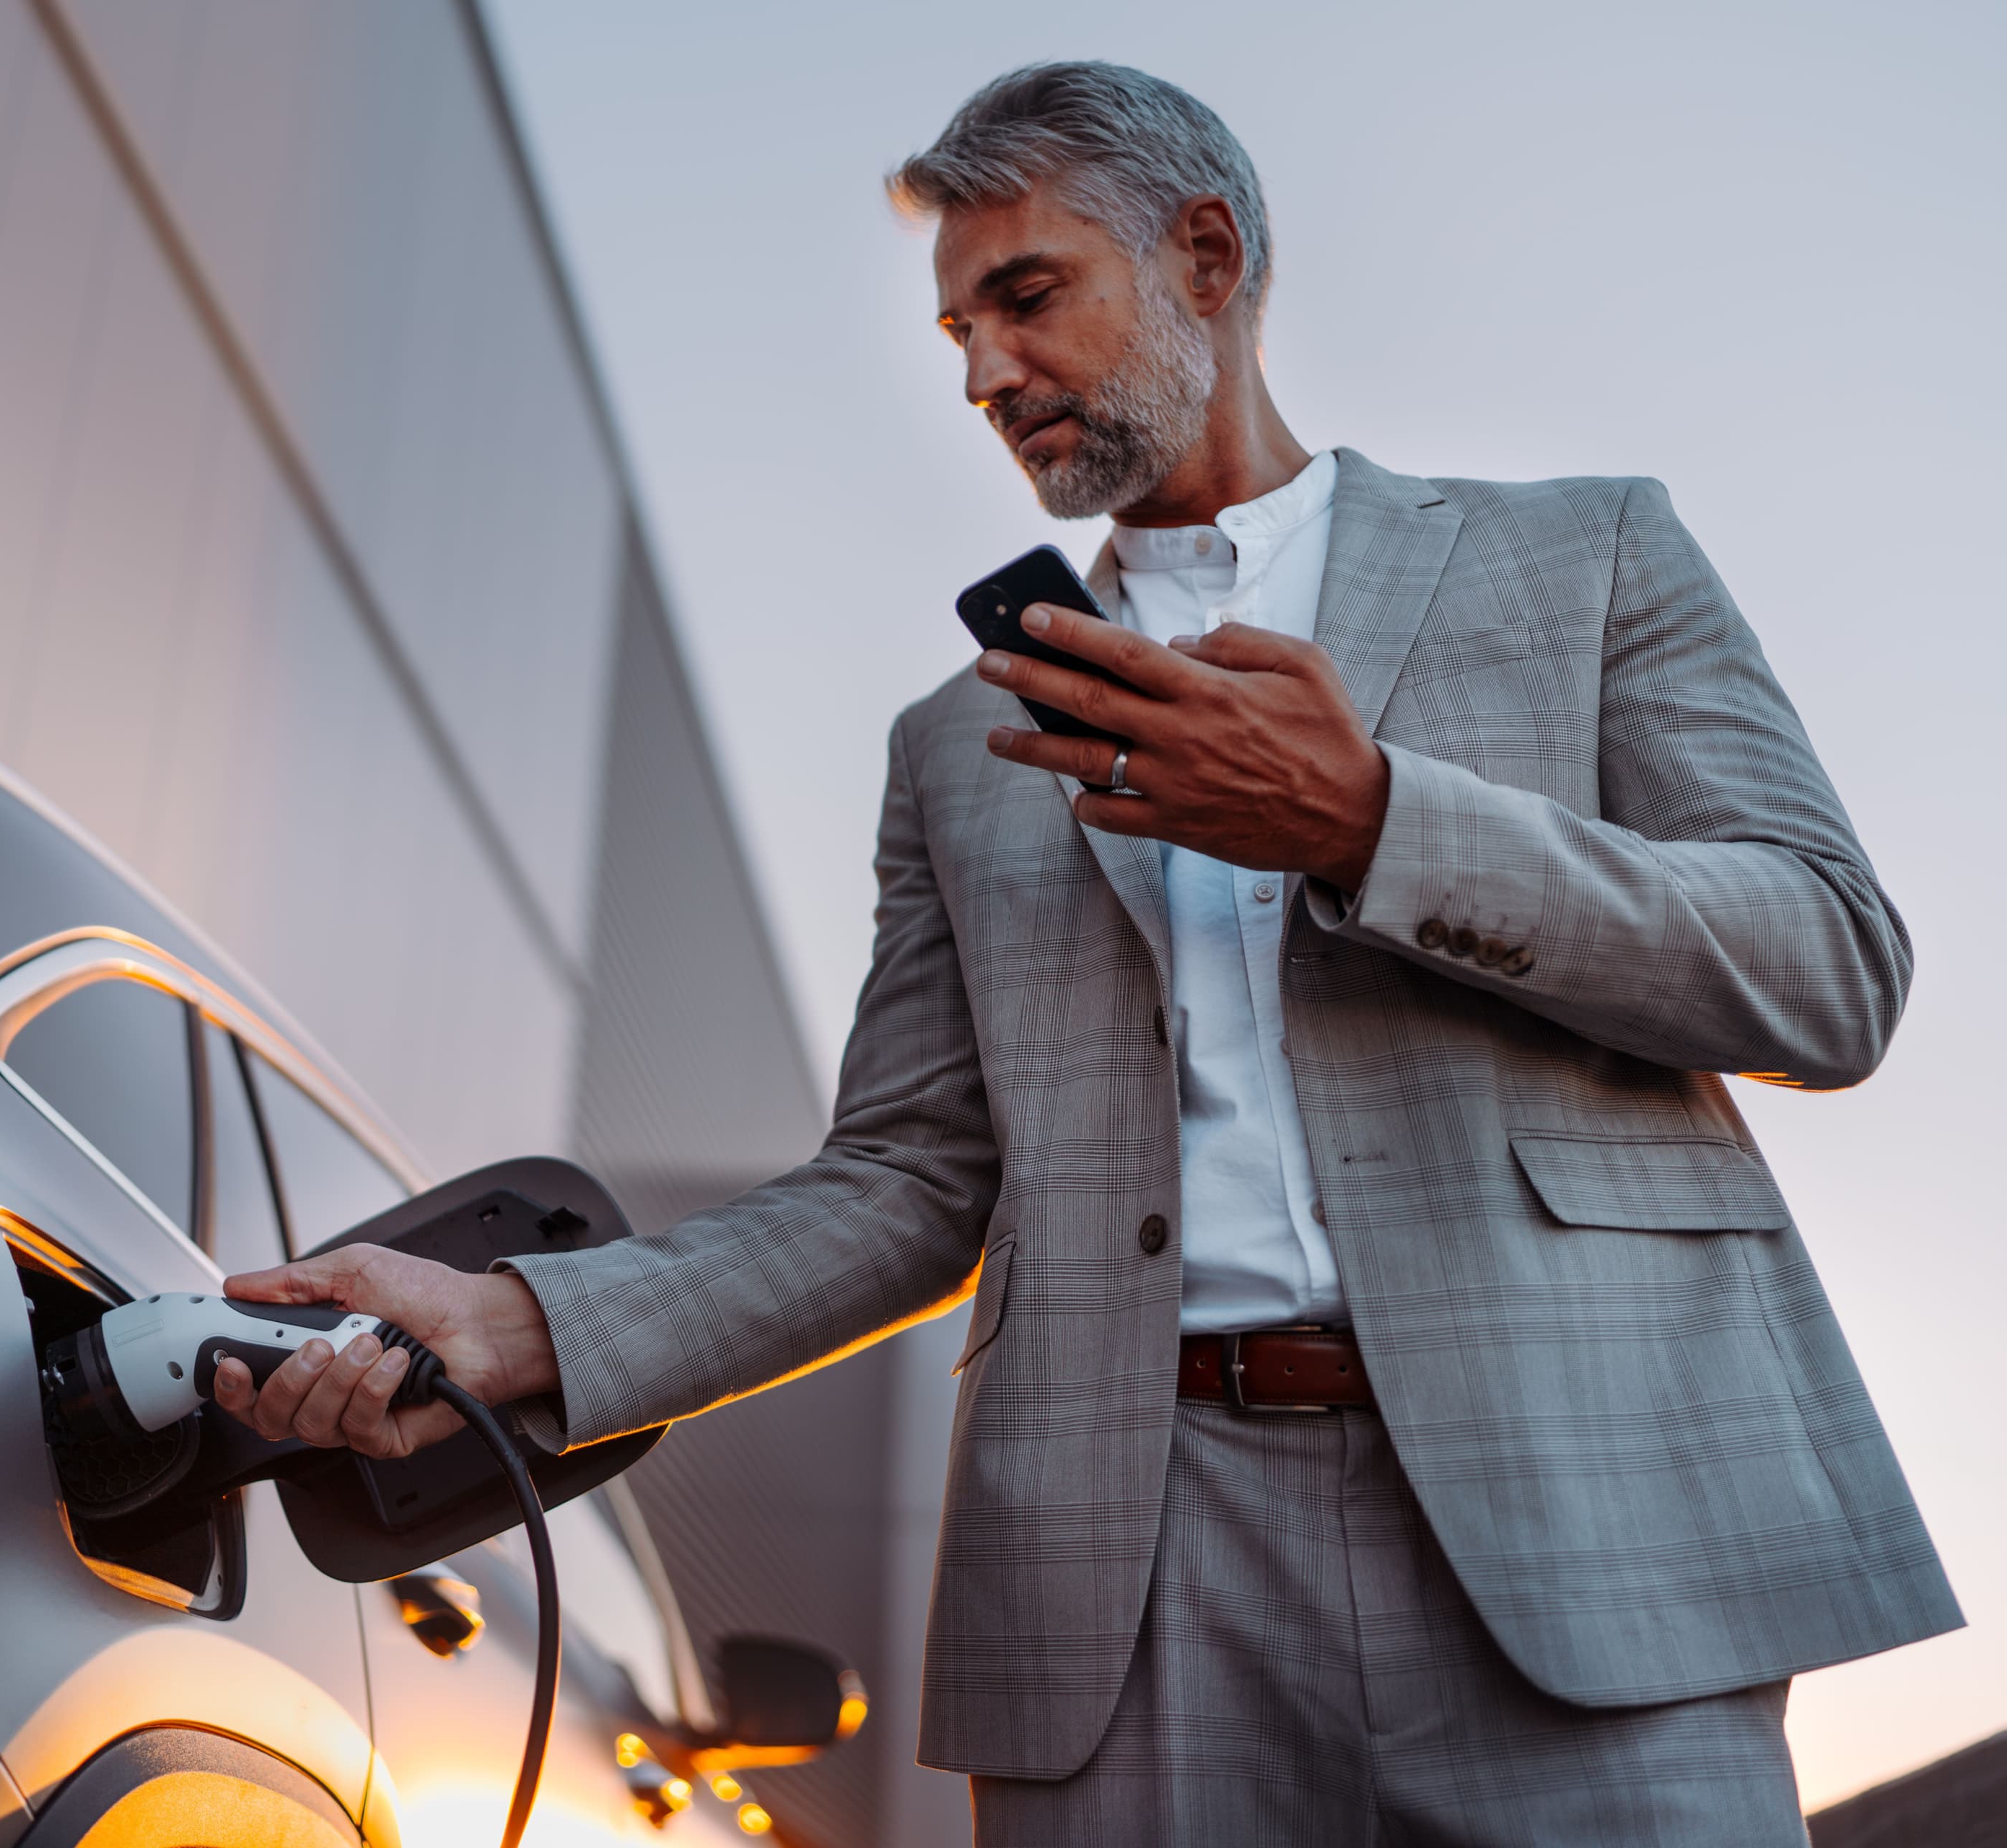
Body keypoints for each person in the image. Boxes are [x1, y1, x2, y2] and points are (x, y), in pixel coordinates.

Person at [209, 61, 1958, 1845]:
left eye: (1026, 298)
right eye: (960, 328)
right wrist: (524, 1326)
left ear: (1207, 256)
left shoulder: (1585, 561)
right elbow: (909, 1183)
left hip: (1594, 1529)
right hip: (1127, 1576)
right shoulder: (957, 748)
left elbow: (1827, 969)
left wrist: (1367, 823)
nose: (983, 376)